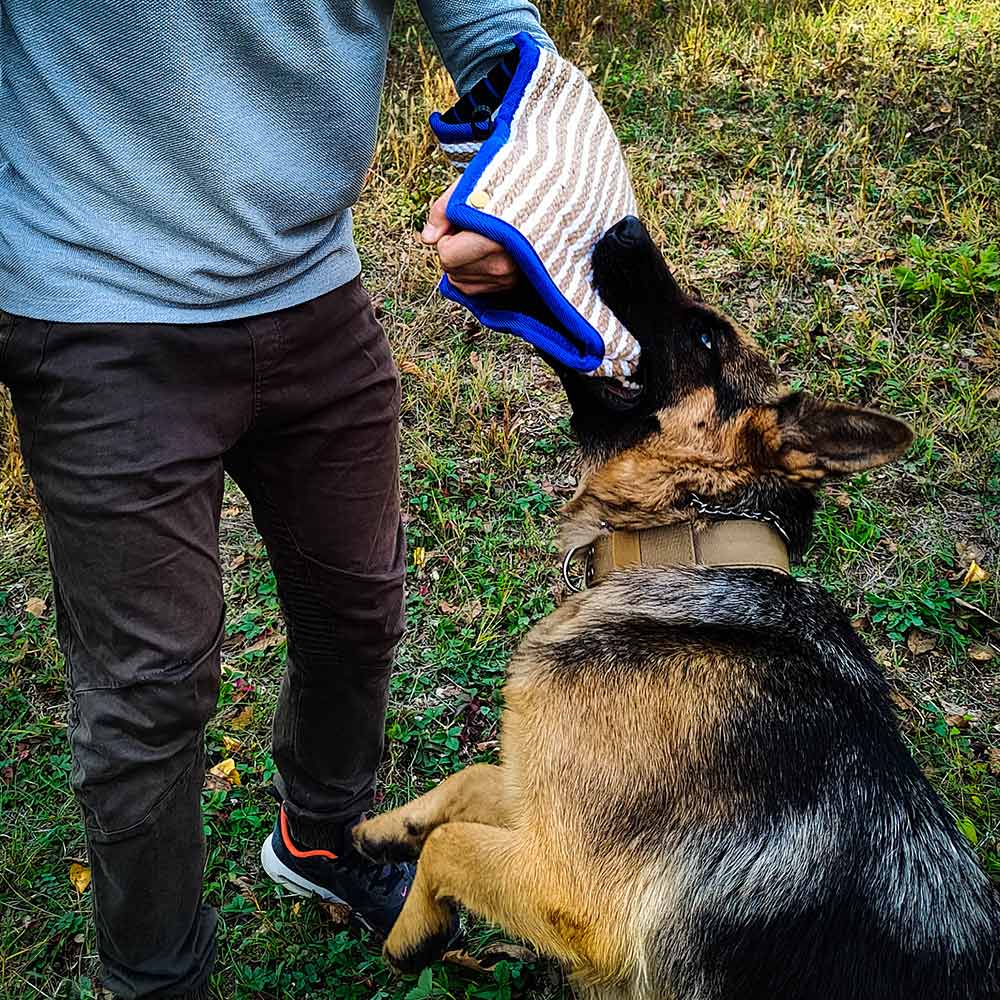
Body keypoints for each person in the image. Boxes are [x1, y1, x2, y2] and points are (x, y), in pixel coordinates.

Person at [0, 4, 551, 998]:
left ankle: (322, 836)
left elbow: (500, 39)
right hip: (93, 307)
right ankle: (154, 977)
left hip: (312, 289)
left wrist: (529, 175)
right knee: (148, 691)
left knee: (357, 605)